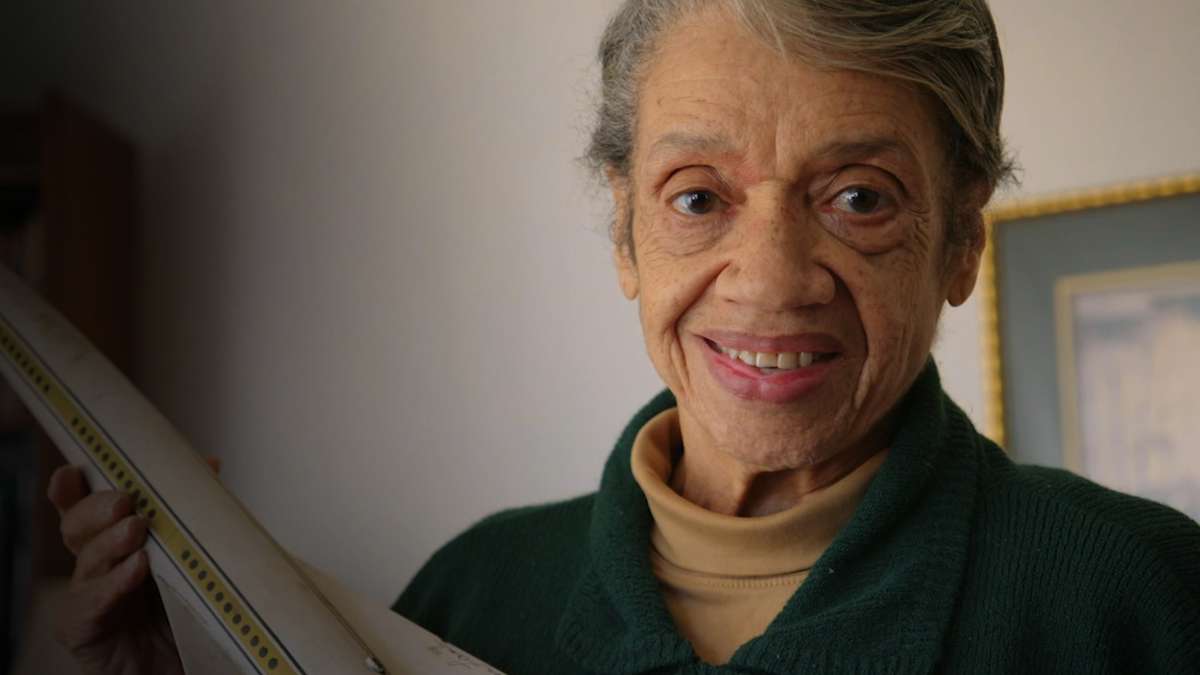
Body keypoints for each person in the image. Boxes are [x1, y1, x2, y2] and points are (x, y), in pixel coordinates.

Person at [47, 0, 1200, 673]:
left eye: (859, 197)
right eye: (698, 197)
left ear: (958, 243)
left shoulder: (1141, 599)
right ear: (626, 235)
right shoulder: (473, 592)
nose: (771, 280)